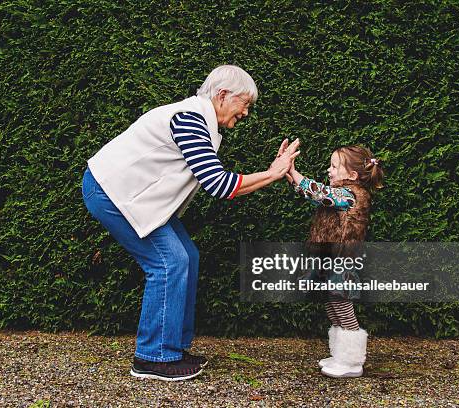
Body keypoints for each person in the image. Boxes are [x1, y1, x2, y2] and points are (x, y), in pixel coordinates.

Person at [82, 65, 300, 381]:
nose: (247, 112)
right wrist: (272, 173)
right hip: (111, 191)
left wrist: (271, 173)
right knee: (169, 262)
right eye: (245, 103)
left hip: (134, 196)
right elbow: (219, 185)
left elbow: (216, 182)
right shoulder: (190, 119)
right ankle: (153, 357)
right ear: (223, 95)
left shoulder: (199, 120)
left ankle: (172, 349)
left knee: (187, 256)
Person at [285, 145, 384, 378]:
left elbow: (320, 193)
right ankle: (341, 355)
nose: (329, 170)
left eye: (334, 166)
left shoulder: (350, 195)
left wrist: (295, 173)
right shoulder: (340, 193)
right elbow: (316, 196)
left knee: (341, 305)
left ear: (352, 176)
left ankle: (352, 361)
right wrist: (290, 173)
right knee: (331, 303)